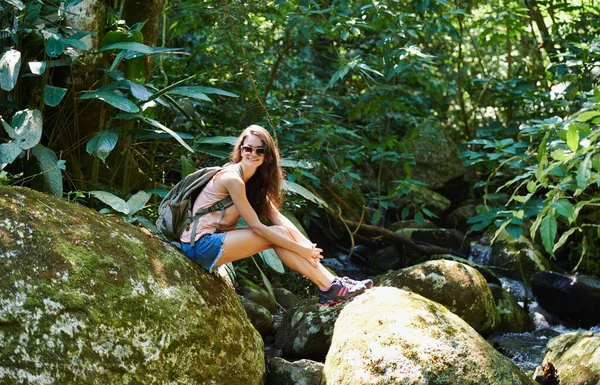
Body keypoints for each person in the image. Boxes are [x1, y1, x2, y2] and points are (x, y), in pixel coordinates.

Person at [180, 124, 372, 306]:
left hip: (213, 243)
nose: (252, 154)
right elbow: (256, 227)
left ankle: (331, 284)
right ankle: (330, 286)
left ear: (267, 155)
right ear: (240, 150)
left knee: (281, 232)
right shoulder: (233, 179)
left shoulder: (252, 181)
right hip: (198, 245)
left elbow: (276, 216)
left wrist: (307, 246)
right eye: (248, 149)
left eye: (259, 150)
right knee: (274, 237)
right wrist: (299, 249)